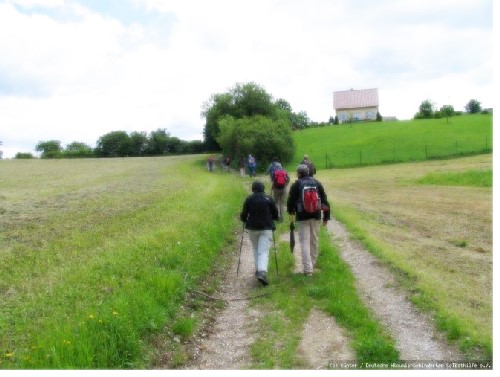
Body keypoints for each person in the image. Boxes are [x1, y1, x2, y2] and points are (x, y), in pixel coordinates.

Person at [287, 164, 330, 276]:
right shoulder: (317, 183)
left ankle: (308, 269)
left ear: (298, 173)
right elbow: (325, 201)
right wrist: (326, 217)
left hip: (302, 216)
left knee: (305, 241)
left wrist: (291, 212)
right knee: (314, 240)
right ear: (308, 172)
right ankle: (313, 263)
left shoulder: (296, 185)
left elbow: (290, 202)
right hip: (316, 215)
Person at [240, 180, 279, 286]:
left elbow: (244, 215)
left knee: (256, 249)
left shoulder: (248, 199)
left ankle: (258, 270)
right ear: (263, 188)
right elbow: (276, 214)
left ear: (253, 189)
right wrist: (273, 218)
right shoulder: (268, 199)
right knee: (264, 251)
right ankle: (262, 272)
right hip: (266, 228)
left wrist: (243, 219)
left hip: (252, 228)